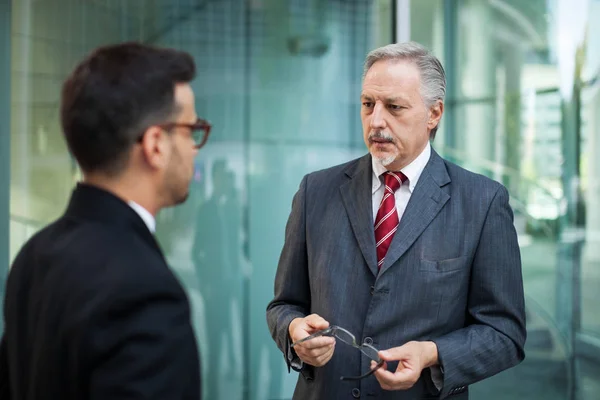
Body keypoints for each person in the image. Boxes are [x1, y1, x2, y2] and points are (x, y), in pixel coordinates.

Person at [266, 41, 526, 399]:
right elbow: (283, 305)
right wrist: (294, 330)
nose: (376, 121)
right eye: (368, 104)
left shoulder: (482, 202)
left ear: (434, 114)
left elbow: (504, 333)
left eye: (394, 107)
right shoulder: (316, 191)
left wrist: (433, 354)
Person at [0, 42, 210, 400]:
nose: (195, 146)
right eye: (191, 129)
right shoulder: (146, 291)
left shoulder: (33, 256)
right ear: (155, 144)